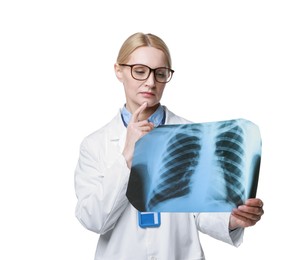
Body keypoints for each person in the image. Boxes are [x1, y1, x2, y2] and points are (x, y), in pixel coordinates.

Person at [74, 32, 264, 260]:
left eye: (160, 73)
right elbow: (94, 220)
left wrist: (232, 220)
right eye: (140, 71)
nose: (151, 82)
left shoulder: (193, 135)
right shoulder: (95, 145)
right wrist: (127, 156)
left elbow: (200, 211)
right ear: (118, 71)